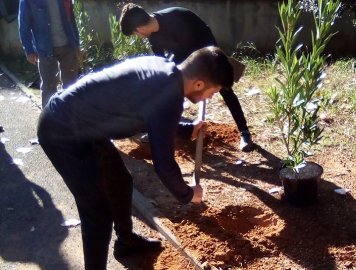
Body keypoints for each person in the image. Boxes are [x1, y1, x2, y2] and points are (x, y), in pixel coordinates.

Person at [37, 46, 234, 270]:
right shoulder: (169, 94)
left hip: (86, 128)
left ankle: (126, 242)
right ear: (199, 83)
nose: (210, 97)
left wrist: (187, 130)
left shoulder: (165, 72)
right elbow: (164, 164)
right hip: (63, 133)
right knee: (98, 214)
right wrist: (188, 194)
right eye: (213, 91)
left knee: (121, 182)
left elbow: (154, 117)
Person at [119, 4, 254, 151]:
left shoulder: (176, 17)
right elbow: (162, 64)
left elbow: (196, 51)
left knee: (224, 88)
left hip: (205, 48)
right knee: (168, 86)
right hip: (183, 56)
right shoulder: (154, 38)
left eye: (135, 34)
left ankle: (244, 133)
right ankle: (166, 128)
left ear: (139, 29)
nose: (138, 36)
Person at [18, 0, 80, 108]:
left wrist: (76, 43)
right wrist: (29, 51)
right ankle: (48, 119)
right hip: (45, 49)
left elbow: (71, 18)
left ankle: (71, 116)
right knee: (49, 87)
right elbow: (24, 24)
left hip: (68, 45)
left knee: (71, 85)